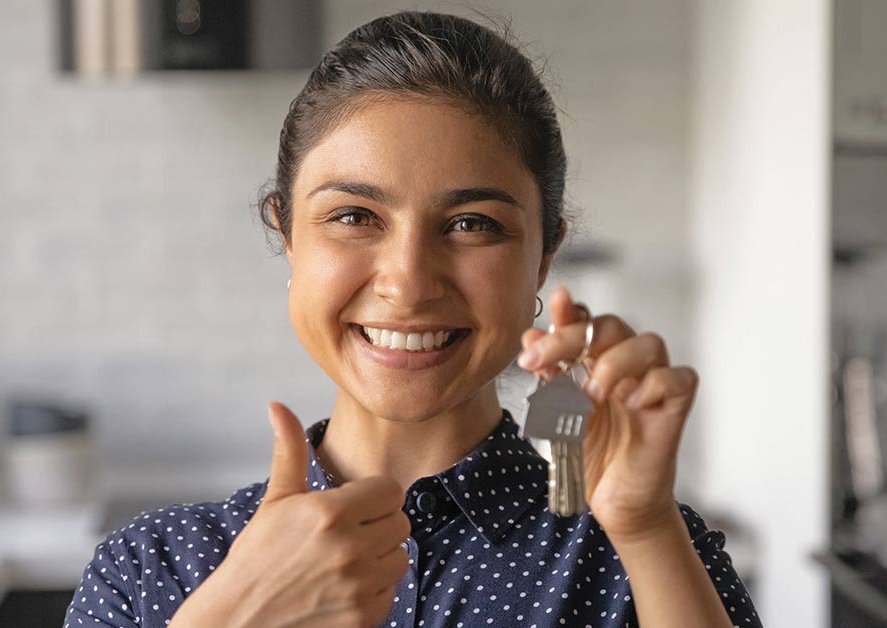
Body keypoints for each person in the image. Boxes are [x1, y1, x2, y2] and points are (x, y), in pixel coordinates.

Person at [64, 11, 762, 628]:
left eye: (470, 223)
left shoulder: (647, 552)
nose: (407, 283)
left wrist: (645, 532)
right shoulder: (147, 574)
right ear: (287, 233)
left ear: (545, 252)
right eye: (354, 217)